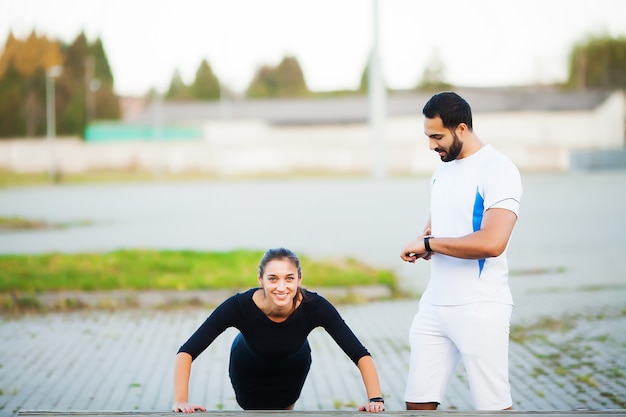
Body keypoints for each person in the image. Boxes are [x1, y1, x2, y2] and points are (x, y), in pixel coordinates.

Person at [400, 92, 522, 411]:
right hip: (434, 305)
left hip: (479, 307)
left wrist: (430, 244)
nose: (431, 146)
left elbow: (493, 243)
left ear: (462, 129)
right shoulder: (442, 168)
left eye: (437, 137)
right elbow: (439, 229)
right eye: (428, 137)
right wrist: (425, 243)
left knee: (492, 408)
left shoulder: (498, 169)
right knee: (417, 404)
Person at [173, 247, 386, 413]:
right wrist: (181, 401)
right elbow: (186, 352)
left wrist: (375, 399)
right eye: (273, 278)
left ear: (299, 279)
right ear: (260, 279)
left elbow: (360, 355)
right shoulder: (239, 306)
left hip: (293, 367)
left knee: (284, 413)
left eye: (289, 278)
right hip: (248, 369)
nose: (281, 287)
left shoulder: (314, 306)